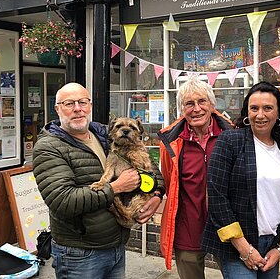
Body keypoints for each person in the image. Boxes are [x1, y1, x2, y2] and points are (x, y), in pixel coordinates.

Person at [32, 82, 165, 279]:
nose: (77, 108)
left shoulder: (104, 134)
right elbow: (62, 201)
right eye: (69, 103)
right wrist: (116, 187)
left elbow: (149, 166)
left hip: (116, 245)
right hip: (79, 254)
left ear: (90, 106)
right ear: (57, 108)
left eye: (82, 102)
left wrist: (156, 194)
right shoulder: (49, 147)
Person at [202, 81, 280, 279]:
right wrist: (244, 249)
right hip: (237, 245)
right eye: (254, 108)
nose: (260, 115)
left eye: (268, 108)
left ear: (279, 112)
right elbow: (217, 196)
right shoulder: (230, 141)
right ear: (247, 112)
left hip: (272, 245)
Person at [157, 78, 232, 278]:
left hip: (227, 225)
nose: (196, 109)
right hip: (187, 226)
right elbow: (167, 179)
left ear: (212, 105)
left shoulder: (232, 135)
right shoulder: (170, 141)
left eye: (202, 102)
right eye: (189, 104)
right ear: (182, 108)